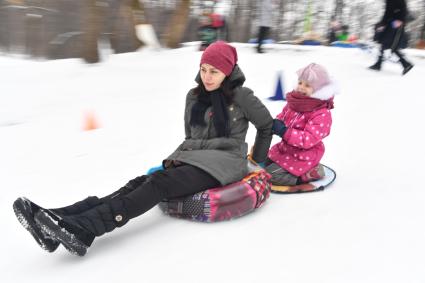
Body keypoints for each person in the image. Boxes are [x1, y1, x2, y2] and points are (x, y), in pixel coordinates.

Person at [13, 41, 273, 256]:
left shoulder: (242, 97)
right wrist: (184, 158)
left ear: (227, 72)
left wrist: (257, 162)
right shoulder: (194, 97)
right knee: (137, 183)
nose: (207, 76)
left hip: (225, 162)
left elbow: (266, 126)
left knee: (158, 184)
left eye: (213, 71)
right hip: (195, 156)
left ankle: (84, 229)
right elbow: (189, 134)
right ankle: (55, 220)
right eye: (203, 69)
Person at [264, 63, 337, 186]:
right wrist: (275, 123)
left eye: (308, 85)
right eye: (300, 83)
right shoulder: (295, 102)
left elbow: (308, 139)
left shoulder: (321, 113)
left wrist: (284, 131)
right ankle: (287, 169)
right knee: (264, 164)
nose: (301, 88)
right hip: (286, 149)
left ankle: (307, 175)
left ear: (319, 90)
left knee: (269, 175)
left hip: (304, 155)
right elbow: (283, 116)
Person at [369, 0, 413, 75]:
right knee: (384, 43)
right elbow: (387, 12)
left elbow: (403, 10)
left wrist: (400, 21)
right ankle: (378, 64)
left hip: (396, 23)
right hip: (390, 22)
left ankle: (406, 64)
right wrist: (382, 23)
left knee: (392, 45)